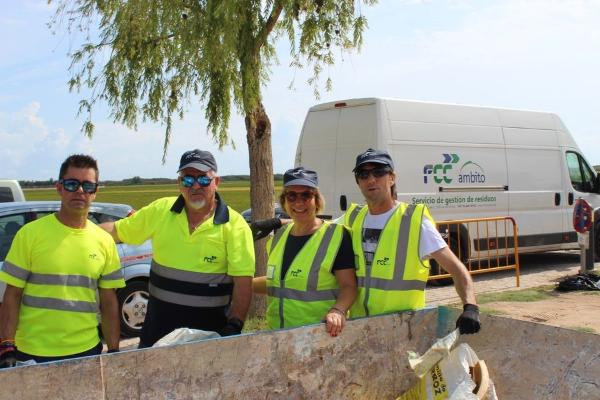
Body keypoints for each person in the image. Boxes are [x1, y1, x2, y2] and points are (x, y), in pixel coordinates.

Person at [100, 149, 255, 347]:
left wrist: (235, 324)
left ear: (216, 182)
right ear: (179, 183)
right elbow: (116, 231)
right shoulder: (160, 210)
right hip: (157, 336)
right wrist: (79, 232)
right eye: (188, 180)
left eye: (203, 179)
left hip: (208, 338)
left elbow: (243, 282)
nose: (195, 186)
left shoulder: (235, 225)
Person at [0, 154, 124, 368]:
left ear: (95, 192)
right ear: (59, 187)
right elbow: (12, 295)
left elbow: (109, 302)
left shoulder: (104, 241)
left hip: (86, 352)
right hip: (30, 353)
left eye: (87, 185)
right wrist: (6, 347)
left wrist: (113, 350)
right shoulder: (30, 234)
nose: (80, 191)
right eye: (72, 184)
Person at [344, 148, 481, 334]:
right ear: (358, 181)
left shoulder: (414, 221)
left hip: (404, 329)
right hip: (361, 328)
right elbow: (315, 227)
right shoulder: (352, 218)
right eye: (364, 174)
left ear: (392, 178)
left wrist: (470, 307)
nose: (371, 179)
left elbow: (457, 269)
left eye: (378, 172)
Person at [253, 167, 357, 337]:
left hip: (318, 334)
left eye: (306, 195)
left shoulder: (336, 236)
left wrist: (338, 310)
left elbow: (349, 286)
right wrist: (238, 285)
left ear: (317, 200)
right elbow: (279, 283)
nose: (298, 202)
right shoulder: (279, 236)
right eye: (292, 196)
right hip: (277, 334)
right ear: (284, 201)